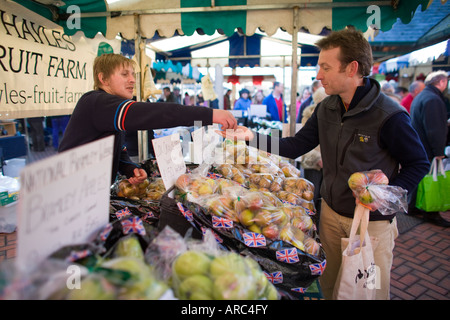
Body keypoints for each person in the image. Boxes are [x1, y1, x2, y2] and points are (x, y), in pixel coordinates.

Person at [218, 29, 430, 300]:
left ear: (352, 68)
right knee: (329, 286)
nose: (319, 75)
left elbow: (418, 163)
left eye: (326, 67)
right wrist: (251, 138)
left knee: (372, 289)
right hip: (330, 215)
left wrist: (385, 196)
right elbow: (296, 145)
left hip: (371, 224)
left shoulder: (389, 115)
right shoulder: (327, 107)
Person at [59, 53, 237, 185]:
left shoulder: (110, 107)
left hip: (93, 189)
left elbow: (118, 152)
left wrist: (130, 168)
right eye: (124, 74)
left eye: (132, 74)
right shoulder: (97, 102)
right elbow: (158, 113)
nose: (132, 80)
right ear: (103, 78)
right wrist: (210, 114)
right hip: (72, 190)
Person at [408, 70, 450, 227]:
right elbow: (435, 129)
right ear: (441, 82)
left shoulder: (421, 96)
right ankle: (431, 212)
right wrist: (439, 151)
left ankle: (413, 207)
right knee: (430, 179)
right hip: (427, 148)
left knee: (420, 178)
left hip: (418, 146)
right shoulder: (433, 99)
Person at [300, 87, 328, 213]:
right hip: (313, 164)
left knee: (326, 198)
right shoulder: (309, 117)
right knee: (311, 196)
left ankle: (320, 223)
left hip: (330, 164)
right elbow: (302, 142)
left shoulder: (338, 118)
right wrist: (317, 158)